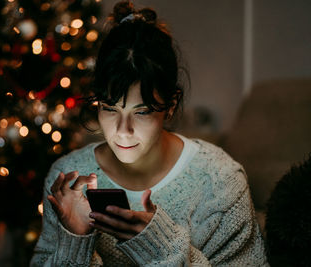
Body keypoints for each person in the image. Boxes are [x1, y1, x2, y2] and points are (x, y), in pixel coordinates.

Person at [30, 1, 268, 266]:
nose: (123, 131)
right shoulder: (68, 177)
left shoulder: (219, 181)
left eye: (141, 112)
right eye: (110, 109)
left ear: (170, 106)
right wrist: (74, 240)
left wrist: (161, 247)